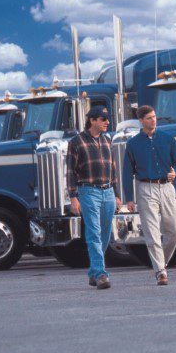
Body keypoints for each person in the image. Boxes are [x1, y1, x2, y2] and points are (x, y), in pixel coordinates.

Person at [124, 105, 176, 285]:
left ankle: (161, 263)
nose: (153, 120)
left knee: (174, 230)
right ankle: (160, 271)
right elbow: (127, 172)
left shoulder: (167, 139)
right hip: (145, 188)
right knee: (152, 232)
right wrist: (129, 198)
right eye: (149, 118)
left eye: (154, 117)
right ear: (141, 121)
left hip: (166, 187)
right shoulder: (133, 144)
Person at [66, 105, 121, 290]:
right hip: (88, 192)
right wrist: (73, 197)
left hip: (108, 192)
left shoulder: (107, 140)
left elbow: (112, 169)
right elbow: (71, 172)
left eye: (107, 119)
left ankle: (93, 271)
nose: (107, 122)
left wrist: (117, 194)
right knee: (94, 234)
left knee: (105, 234)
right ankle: (101, 275)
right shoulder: (76, 142)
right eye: (103, 119)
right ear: (92, 120)